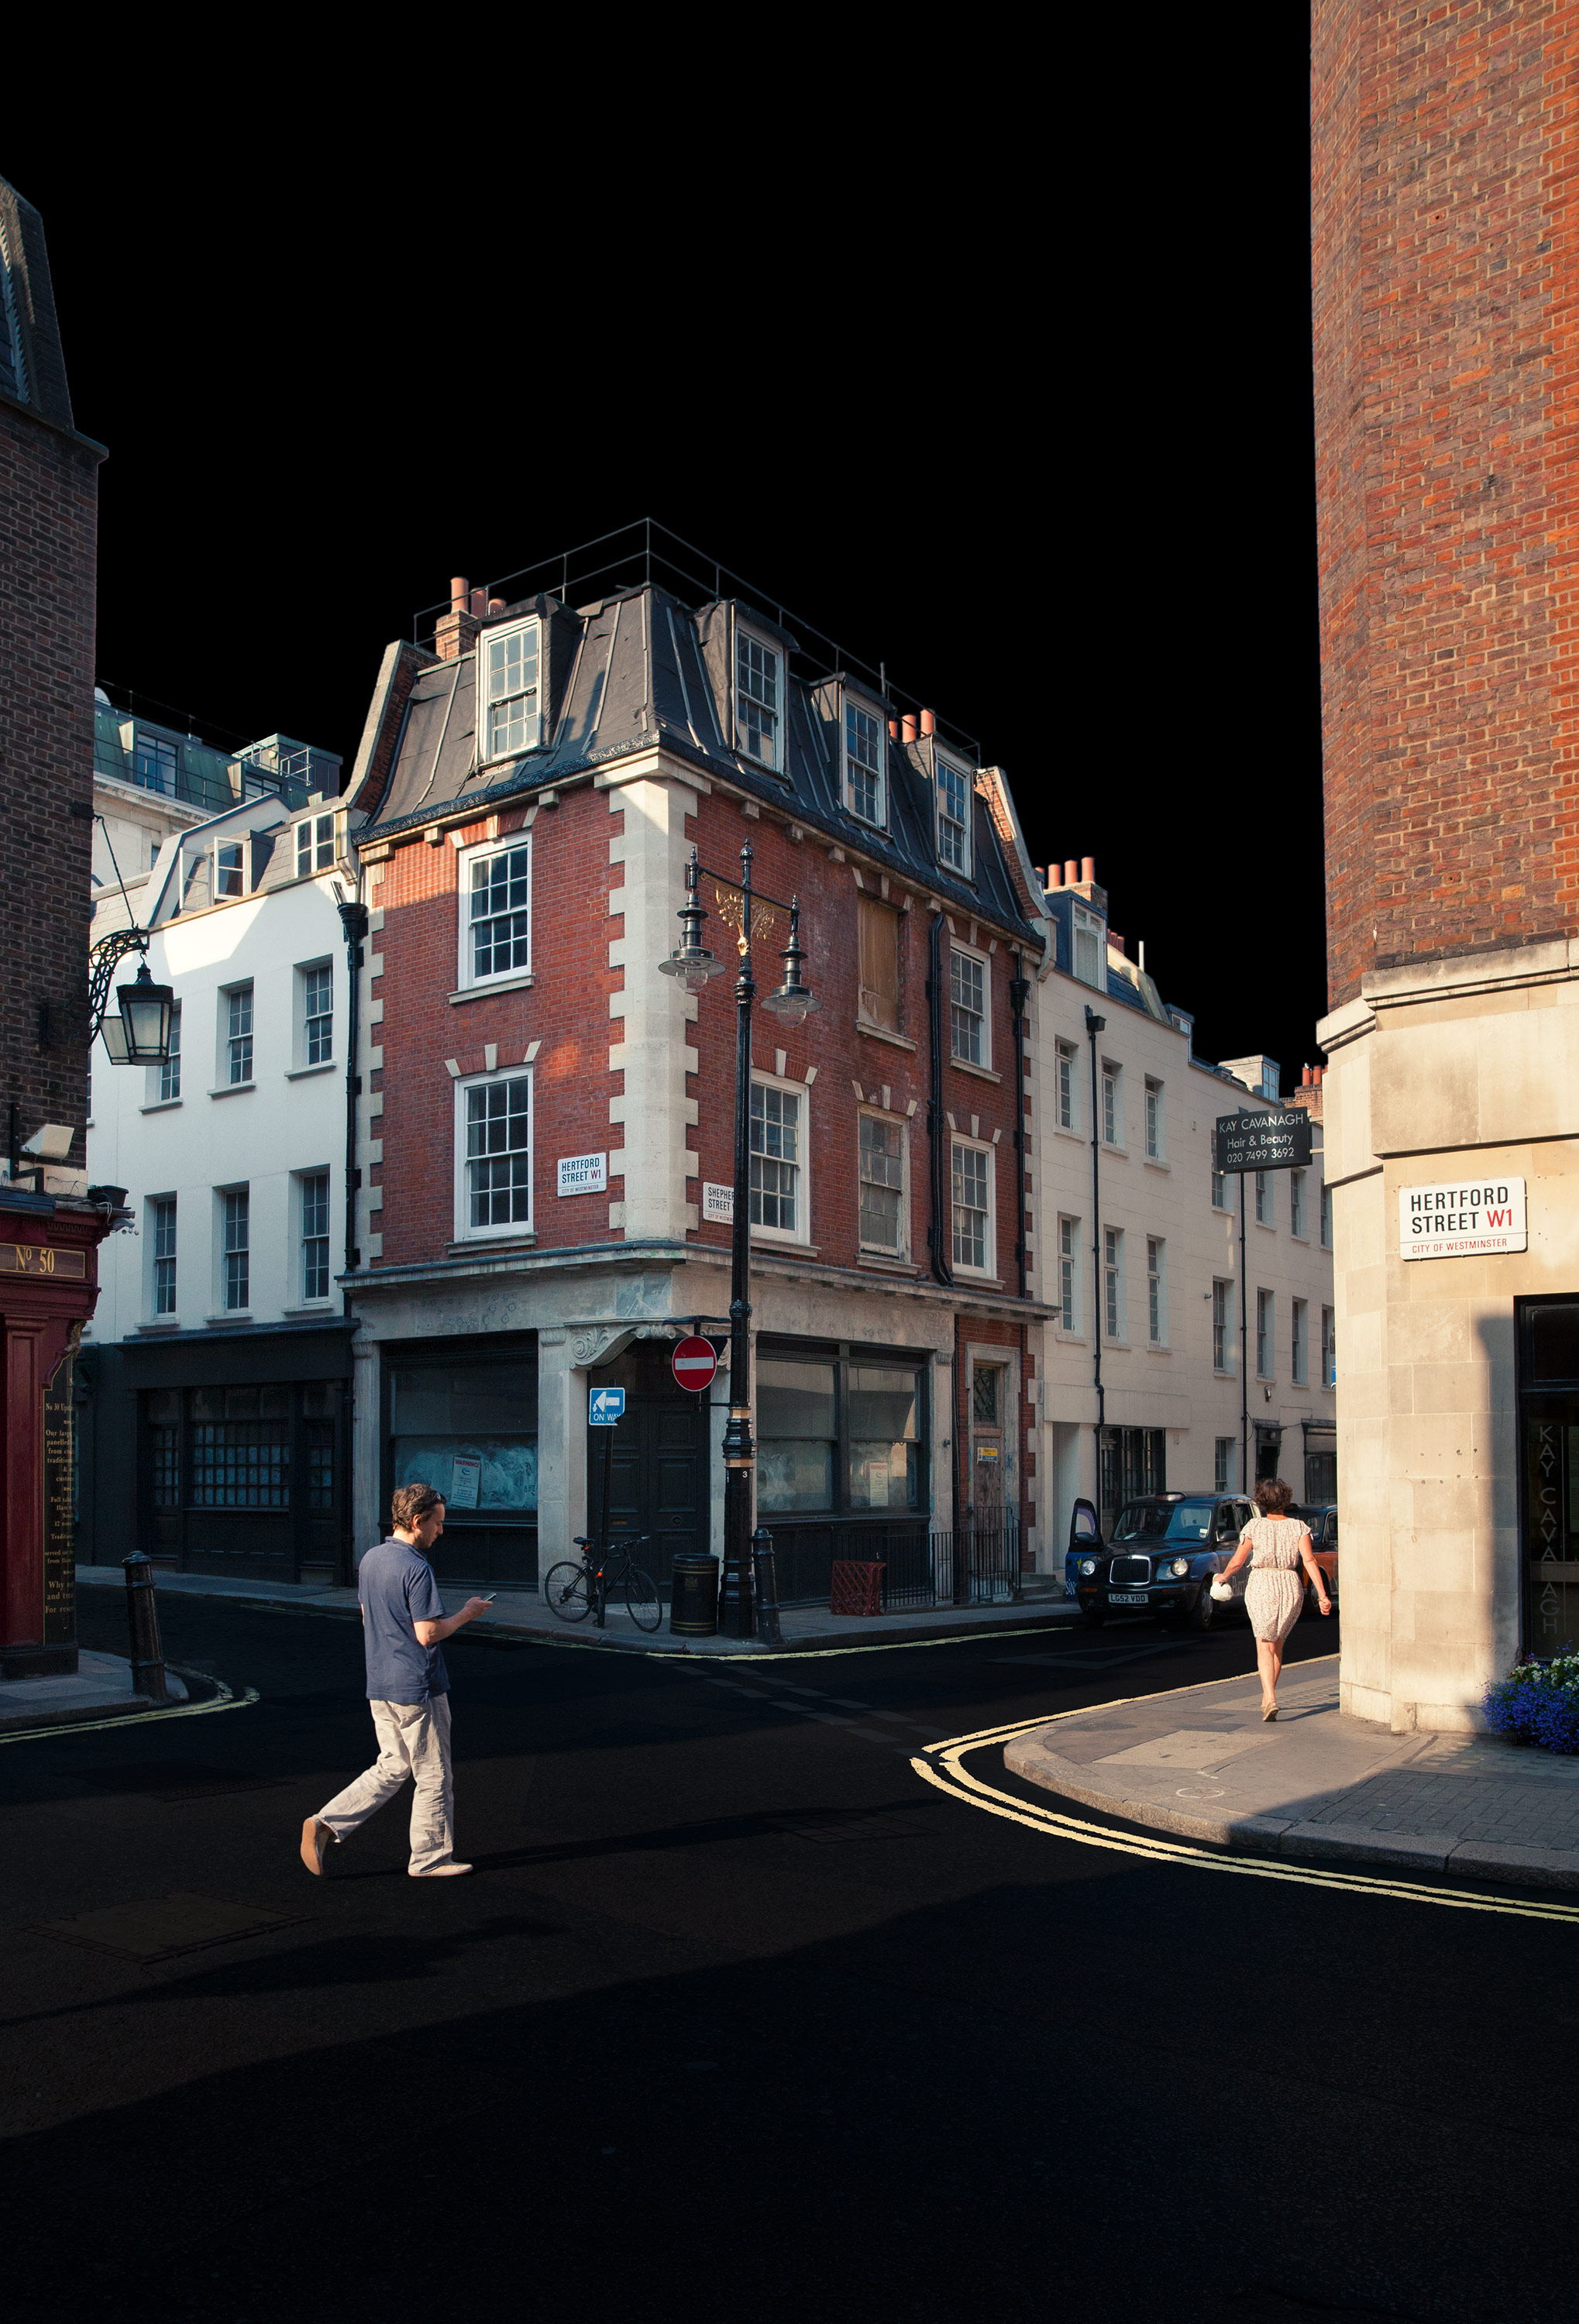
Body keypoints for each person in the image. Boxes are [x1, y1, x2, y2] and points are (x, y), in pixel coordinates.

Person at [300, 1482, 491, 1879]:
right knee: (434, 1775)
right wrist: (467, 1614)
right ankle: (431, 1858)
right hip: (417, 1687)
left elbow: (369, 1617)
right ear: (418, 1521)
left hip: (380, 1684)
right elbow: (428, 1633)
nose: (441, 1531)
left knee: (392, 1766)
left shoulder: (371, 1559)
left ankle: (326, 1822)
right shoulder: (417, 1568)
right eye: (437, 1523)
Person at [1216, 1475, 1331, 1721]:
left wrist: (1222, 1577)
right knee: (1277, 1645)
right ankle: (1268, 1696)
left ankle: (1270, 1698)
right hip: (1290, 1585)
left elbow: (1237, 1562)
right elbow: (1309, 1561)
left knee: (1263, 1644)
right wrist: (1322, 1595)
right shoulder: (1299, 1527)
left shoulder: (1254, 1527)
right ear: (1286, 1500)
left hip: (1262, 1584)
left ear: (1261, 1502)